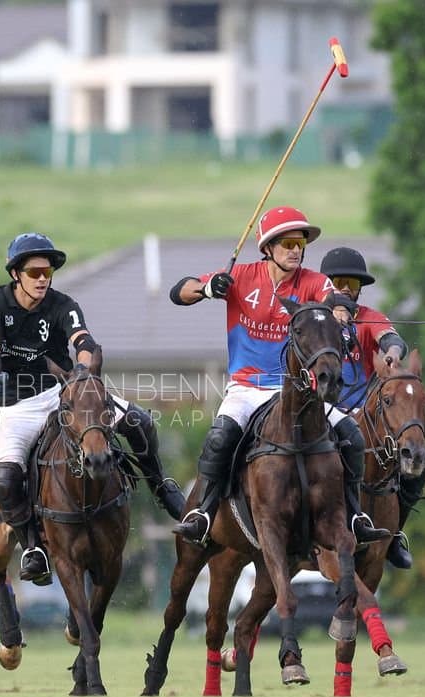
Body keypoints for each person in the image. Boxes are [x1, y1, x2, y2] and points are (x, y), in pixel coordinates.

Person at [167, 206, 390, 547]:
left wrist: (340, 311)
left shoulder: (313, 282)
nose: (296, 250)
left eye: (300, 243)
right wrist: (209, 287)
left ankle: (356, 514)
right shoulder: (242, 277)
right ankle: (204, 513)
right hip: (247, 386)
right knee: (220, 437)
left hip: (297, 391)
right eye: (287, 243)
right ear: (267, 247)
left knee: (352, 435)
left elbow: (335, 298)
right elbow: (179, 292)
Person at [0, 232, 185, 585]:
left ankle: (162, 487)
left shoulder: (63, 304)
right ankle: (32, 548)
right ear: (16, 274)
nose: (43, 278)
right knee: (4, 479)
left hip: (65, 395)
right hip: (19, 405)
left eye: (47, 271)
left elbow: (83, 341)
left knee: (139, 421)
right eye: (34, 272)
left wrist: (85, 372)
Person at [320, 247, 422, 569]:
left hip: (362, 414)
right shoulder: (314, 318)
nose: (347, 289)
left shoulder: (368, 316)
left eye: (353, 282)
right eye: (340, 282)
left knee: (415, 464)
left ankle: (392, 536)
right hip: (318, 411)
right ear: (326, 284)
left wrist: (391, 353)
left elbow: (392, 338)